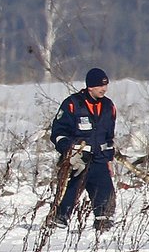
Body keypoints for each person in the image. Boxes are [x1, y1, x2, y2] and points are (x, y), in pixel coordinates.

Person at [48, 68, 116, 231]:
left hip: (99, 158)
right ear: (90, 86)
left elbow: (109, 137)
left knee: (106, 191)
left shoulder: (108, 106)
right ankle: (59, 221)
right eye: (100, 86)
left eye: (105, 86)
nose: (104, 89)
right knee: (71, 190)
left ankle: (103, 223)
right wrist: (68, 152)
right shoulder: (72, 104)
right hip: (78, 159)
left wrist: (109, 159)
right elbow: (58, 133)